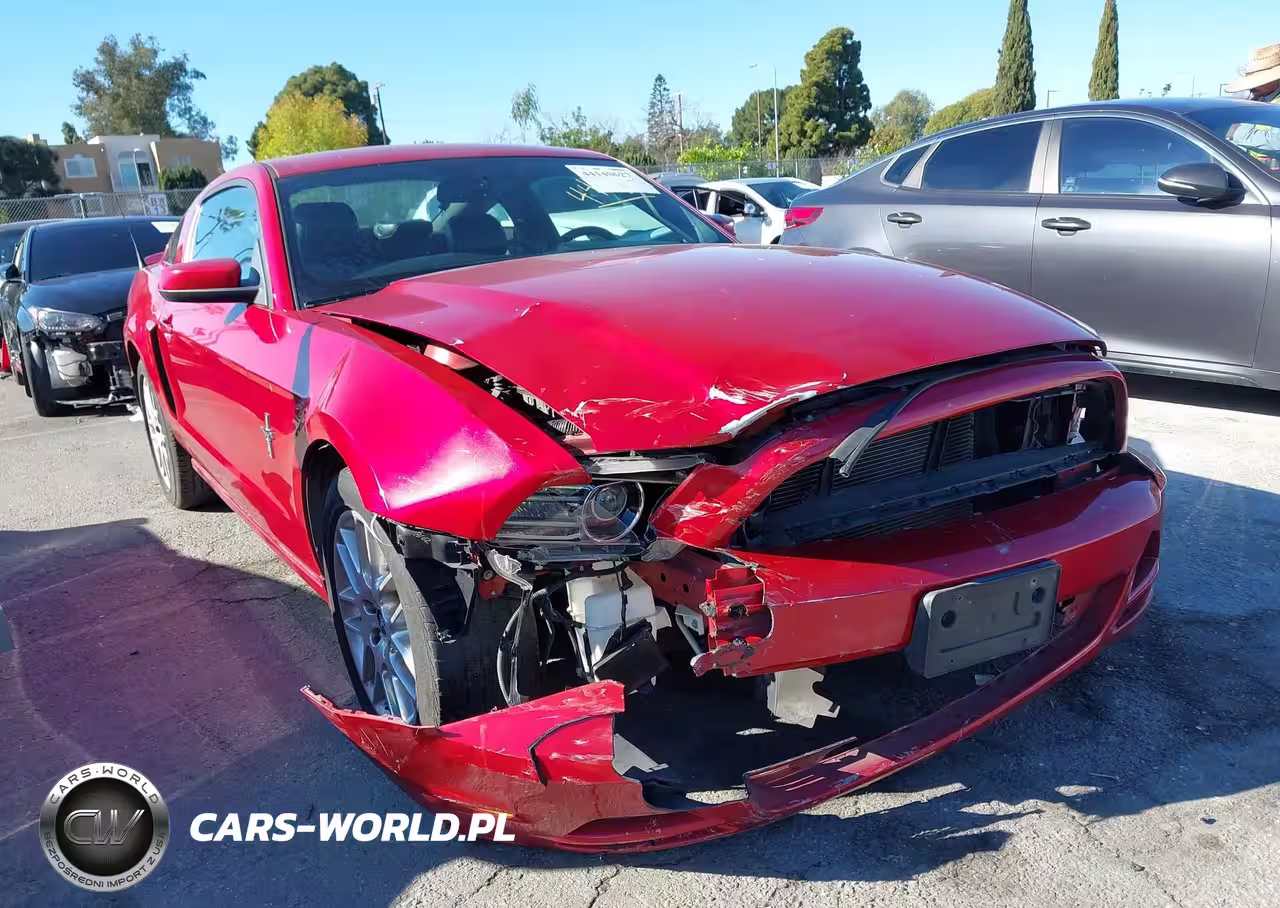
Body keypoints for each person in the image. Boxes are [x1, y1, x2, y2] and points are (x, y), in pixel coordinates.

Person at [1224, 45, 1280, 168]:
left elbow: (1277, 141)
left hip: (1271, 181)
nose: (1251, 87)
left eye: (1259, 80)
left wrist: (1236, 132)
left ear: (1276, 79)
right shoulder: (1259, 100)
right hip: (1255, 177)